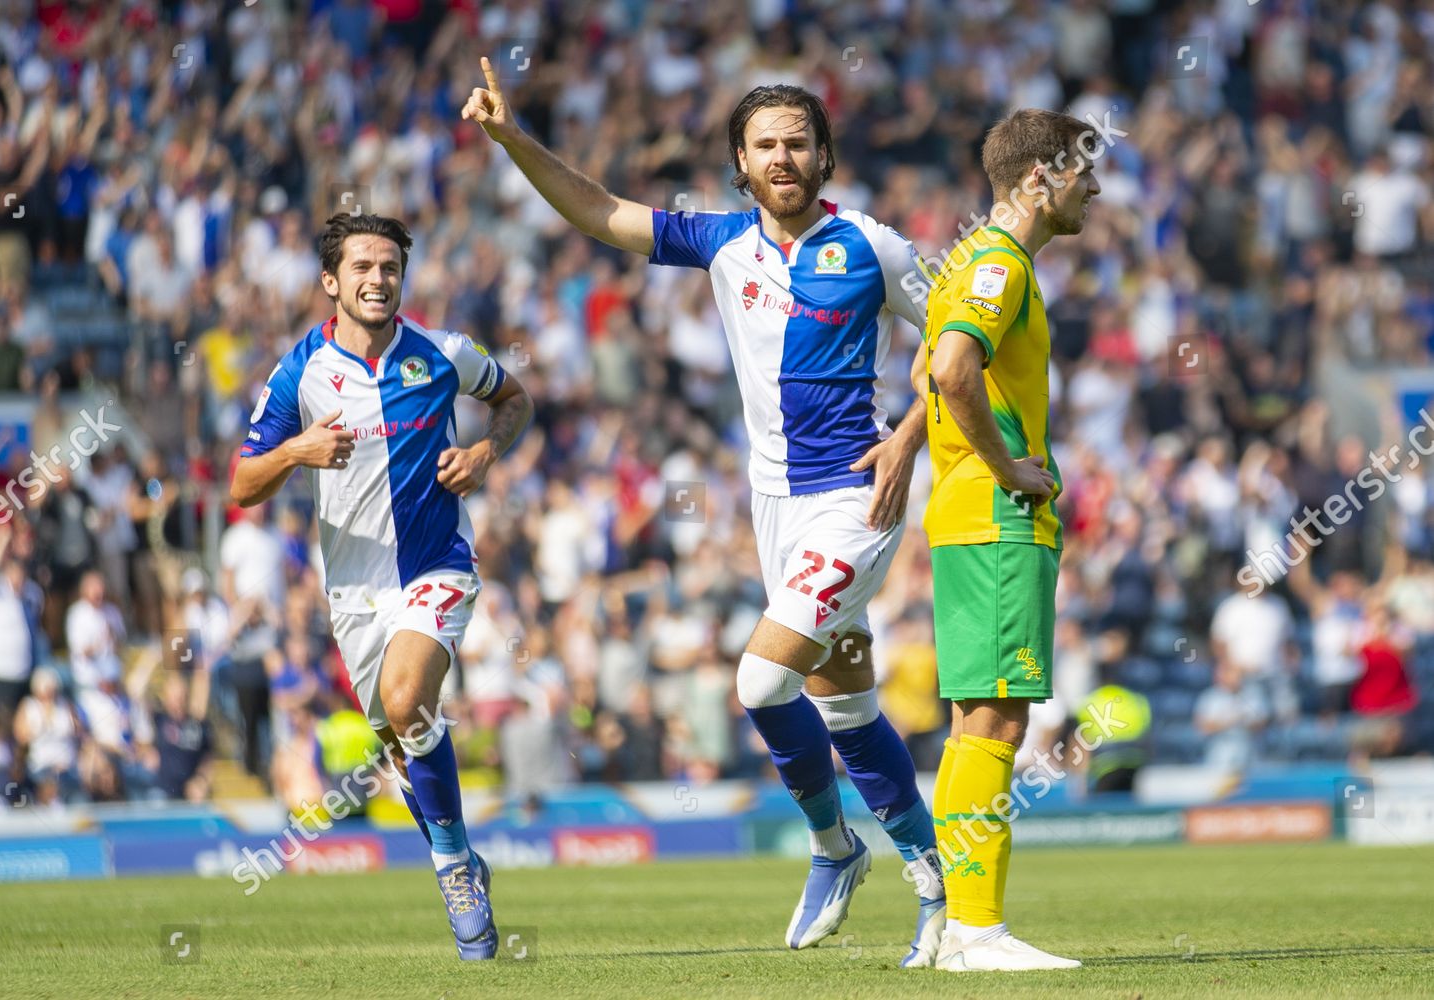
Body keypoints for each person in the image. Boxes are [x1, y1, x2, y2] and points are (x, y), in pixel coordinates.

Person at [465, 60, 943, 964]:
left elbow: (960, 349)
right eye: (765, 145)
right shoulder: (723, 244)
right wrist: (511, 137)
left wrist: (911, 436)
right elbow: (601, 211)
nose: (783, 157)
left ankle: (836, 846)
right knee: (846, 707)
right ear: (740, 160)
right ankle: (921, 877)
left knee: (761, 684)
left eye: (798, 142)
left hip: (854, 496)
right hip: (772, 508)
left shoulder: (875, 247)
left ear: (824, 154)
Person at [229, 212, 532, 961]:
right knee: (402, 740)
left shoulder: (442, 353)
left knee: (406, 700)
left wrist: (487, 452)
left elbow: (514, 399)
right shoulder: (299, 371)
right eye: (362, 267)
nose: (378, 279)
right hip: (353, 594)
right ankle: (453, 845)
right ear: (331, 282)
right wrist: (297, 449)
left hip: (436, 567)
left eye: (390, 266)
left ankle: (454, 865)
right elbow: (241, 483)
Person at [919, 108, 1101, 971]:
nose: (1092, 188)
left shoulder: (968, 262)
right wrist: (1009, 468)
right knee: (994, 716)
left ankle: (958, 928)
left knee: (974, 721)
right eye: (1081, 171)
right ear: (1039, 179)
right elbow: (954, 371)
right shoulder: (997, 265)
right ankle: (977, 931)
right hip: (996, 520)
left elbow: (936, 374)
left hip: (963, 519)